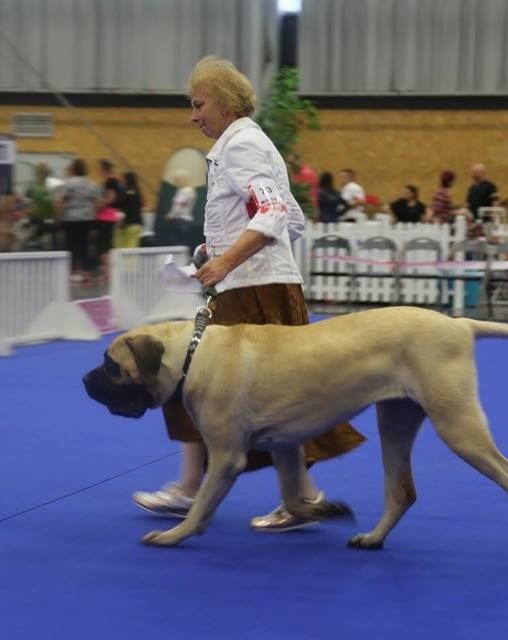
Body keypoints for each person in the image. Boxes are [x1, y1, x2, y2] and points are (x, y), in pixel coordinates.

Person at [131, 55, 365, 532]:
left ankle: (202, 490)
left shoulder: (240, 147)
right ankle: (293, 496)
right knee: (263, 394)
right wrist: (215, 250)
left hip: (254, 293)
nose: (193, 115)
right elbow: (291, 219)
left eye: (198, 104)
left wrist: (226, 261)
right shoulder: (250, 143)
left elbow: (273, 213)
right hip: (261, 286)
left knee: (202, 385)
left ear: (224, 103)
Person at [55, 158, 103, 283]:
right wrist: (92, 214)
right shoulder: (92, 184)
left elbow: (60, 202)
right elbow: (98, 203)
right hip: (87, 219)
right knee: (85, 245)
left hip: (70, 219)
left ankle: (71, 273)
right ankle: (86, 274)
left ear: (74, 169)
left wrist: (58, 218)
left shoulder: (68, 184)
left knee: (70, 245)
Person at [116, 171, 144, 248]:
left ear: (127, 180)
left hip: (129, 225)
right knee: (131, 249)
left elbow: (126, 208)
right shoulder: (137, 191)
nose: (121, 182)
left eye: (123, 179)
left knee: (126, 250)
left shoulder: (128, 192)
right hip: (137, 224)